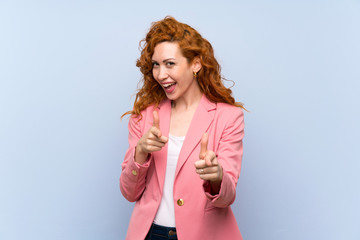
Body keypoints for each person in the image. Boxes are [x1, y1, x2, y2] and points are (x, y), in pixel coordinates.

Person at [120, 16, 245, 240]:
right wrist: (140, 153)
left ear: (195, 64)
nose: (160, 74)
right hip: (151, 234)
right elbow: (130, 193)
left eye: (170, 64)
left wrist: (217, 177)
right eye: (156, 65)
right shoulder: (144, 116)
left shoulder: (228, 117)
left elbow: (226, 197)